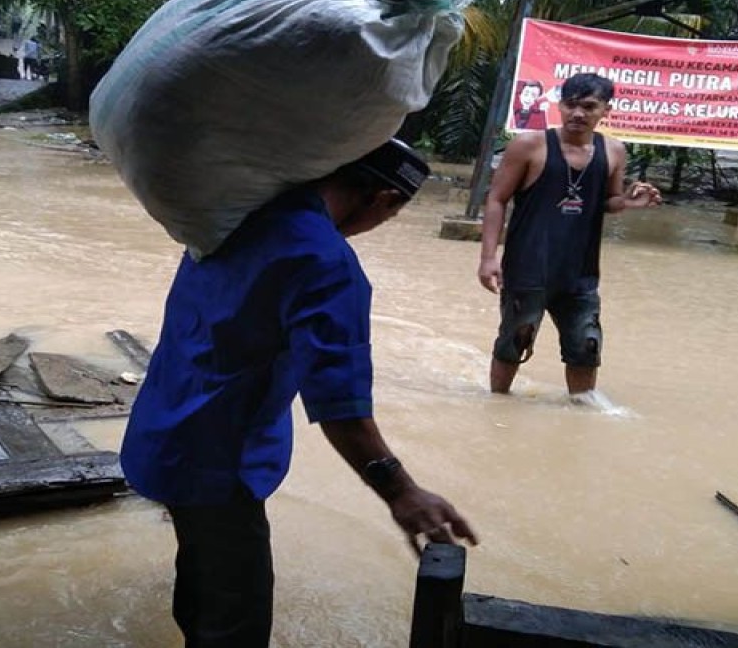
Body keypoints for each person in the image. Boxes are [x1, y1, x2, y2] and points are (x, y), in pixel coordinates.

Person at [122, 138, 478, 648]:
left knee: (204, 574)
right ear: (382, 200)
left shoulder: (231, 212)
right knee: (236, 624)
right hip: (220, 465)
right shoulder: (326, 264)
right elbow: (341, 409)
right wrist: (401, 492)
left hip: (161, 433)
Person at [478, 72, 662, 402]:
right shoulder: (529, 145)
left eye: (589, 106)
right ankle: (497, 406)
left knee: (586, 345)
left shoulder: (614, 150)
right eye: (570, 105)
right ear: (559, 105)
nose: (578, 114)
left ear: (606, 109)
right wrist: (489, 258)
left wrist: (631, 202)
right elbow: (496, 198)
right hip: (528, 267)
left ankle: (582, 412)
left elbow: (608, 201)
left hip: (579, 271)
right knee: (516, 340)